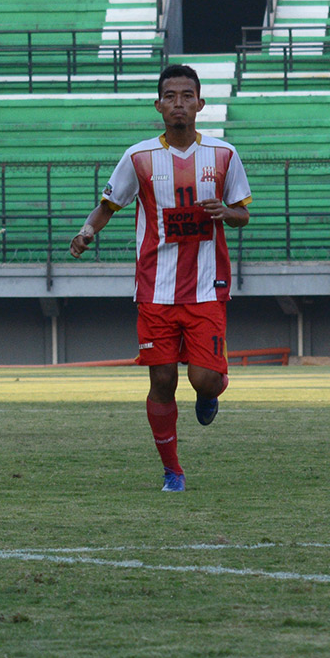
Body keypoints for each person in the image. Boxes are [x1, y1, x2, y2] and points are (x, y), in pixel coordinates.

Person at [68, 64, 252, 493]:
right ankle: (173, 471)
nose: (179, 104)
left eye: (187, 96)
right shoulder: (139, 157)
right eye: (170, 96)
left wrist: (228, 213)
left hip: (207, 288)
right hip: (155, 288)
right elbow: (108, 205)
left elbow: (243, 212)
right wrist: (86, 231)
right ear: (158, 105)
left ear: (200, 104)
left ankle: (209, 394)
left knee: (203, 379)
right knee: (163, 380)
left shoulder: (224, 155)